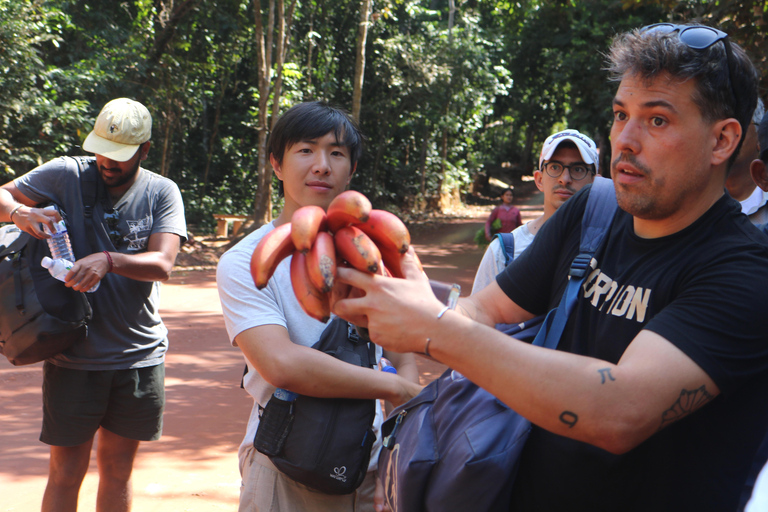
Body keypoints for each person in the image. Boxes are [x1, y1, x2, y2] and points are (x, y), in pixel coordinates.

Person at [333, 23, 768, 511]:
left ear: (722, 141)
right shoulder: (593, 211)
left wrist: (435, 330)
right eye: (621, 114)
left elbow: (620, 410)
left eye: (658, 121)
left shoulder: (745, 274)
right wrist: (406, 296)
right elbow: (485, 309)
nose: (625, 139)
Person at [216, 101, 421, 512]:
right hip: (288, 461)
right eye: (305, 150)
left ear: (352, 169)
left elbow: (404, 348)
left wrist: (399, 439)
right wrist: (396, 387)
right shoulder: (247, 260)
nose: (322, 165)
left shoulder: (374, 254)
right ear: (277, 164)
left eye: (337, 153)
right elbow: (282, 364)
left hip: (369, 460)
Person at [0, 98, 187, 511]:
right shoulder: (65, 173)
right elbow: (1, 196)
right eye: (101, 149)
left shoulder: (161, 192)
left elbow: (163, 264)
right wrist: (17, 213)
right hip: (73, 358)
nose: (107, 162)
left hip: (137, 357)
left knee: (118, 470)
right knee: (66, 472)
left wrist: (109, 261)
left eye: (119, 156)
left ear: (145, 150)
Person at [472, 129, 598, 293]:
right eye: (554, 167)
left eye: (578, 169)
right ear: (539, 180)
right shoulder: (504, 251)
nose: (565, 179)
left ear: (595, 183)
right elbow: (478, 313)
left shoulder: (608, 249)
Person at [725, 98, 766, 224]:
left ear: (759, 136)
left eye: (736, 125)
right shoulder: (691, 206)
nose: (725, 135)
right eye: (721, 126)